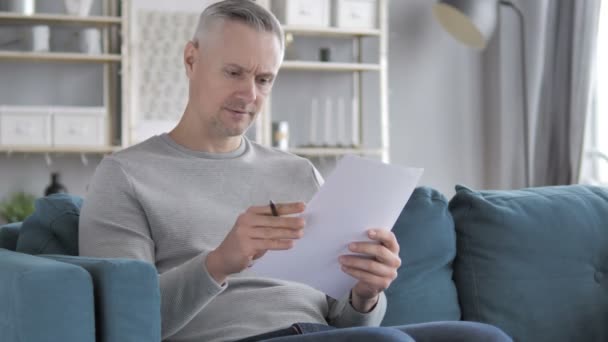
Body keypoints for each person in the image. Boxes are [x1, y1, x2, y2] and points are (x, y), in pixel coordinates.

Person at [79, 1, 511, 341]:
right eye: (234, 72)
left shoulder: (299, 173)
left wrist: (365, 295)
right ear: (192, 59)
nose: (249, 93)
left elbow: (349, 325)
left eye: (264, 79)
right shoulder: (125, 176)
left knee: (484, 337)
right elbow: (123, 321)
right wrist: (219, 262)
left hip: (321, 335)